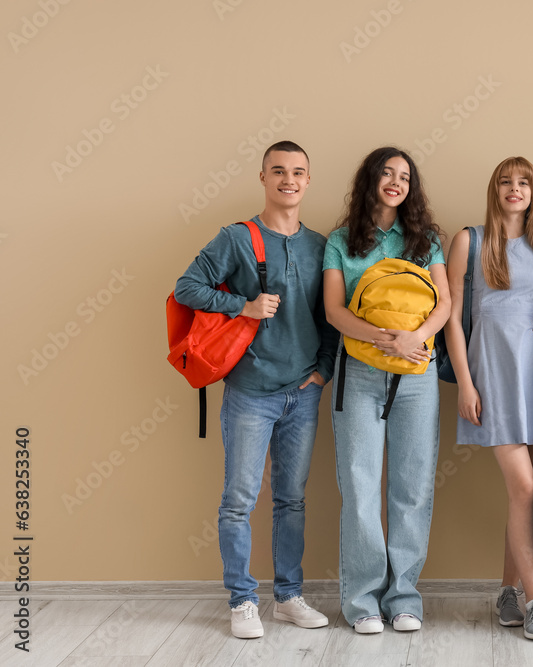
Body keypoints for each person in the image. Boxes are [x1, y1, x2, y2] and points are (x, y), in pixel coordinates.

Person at [173, 140, 334, 639]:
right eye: (279, 171)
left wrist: (323, 371)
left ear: (309, 181)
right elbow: (186, 287)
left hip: (303, 391)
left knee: (292, 499)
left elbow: (329, 318)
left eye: (298, 172)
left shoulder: (321, 245)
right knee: (239, 500)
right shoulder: (237, 238)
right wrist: (242, 305)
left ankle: (287, 596)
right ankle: (242, 600)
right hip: (250, 391)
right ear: (263, 177)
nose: (289, 179)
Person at [323, 146, 451, 635]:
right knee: (358, 487)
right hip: (358, 373)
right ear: (371, 180)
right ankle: (361, 602)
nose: (396, 181)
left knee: (412, 487)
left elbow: (444, 302)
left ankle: (404, 598)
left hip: (417, 373)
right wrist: (381, 337)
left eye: (404, 176)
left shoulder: (426, 239)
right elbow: (335, 310)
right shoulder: (341, 240)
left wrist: (415, 338)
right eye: (387, 173)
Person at [445, 157, 533, 641]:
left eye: (523, 182)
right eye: (505, 182)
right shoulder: (468, 241)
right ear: (494, 190)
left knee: (531, 495)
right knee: (522, 489)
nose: (514, 189)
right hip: (493, 371)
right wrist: (466, 382)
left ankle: (507, 591)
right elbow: (451, 317)